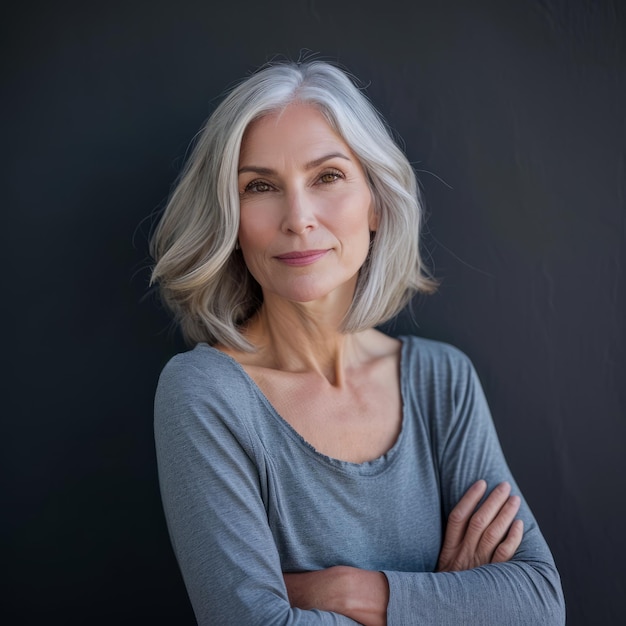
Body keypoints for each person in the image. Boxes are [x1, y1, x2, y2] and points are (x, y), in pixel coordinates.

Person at [150, 59, 565, 625]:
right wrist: (444, 601)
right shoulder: (205, 394)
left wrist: (347, 591)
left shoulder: (442, 381)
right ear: (230, 218)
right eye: (260, 186)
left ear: (375, 202)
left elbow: (538, 604)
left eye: (328, 176)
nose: (298, 218)